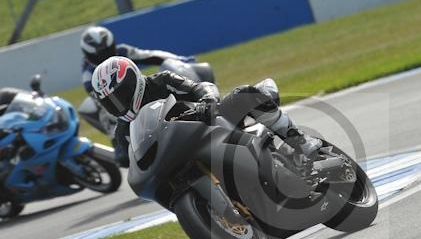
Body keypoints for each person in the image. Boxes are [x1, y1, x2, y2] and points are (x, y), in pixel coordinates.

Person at [91, 57, 321, 167]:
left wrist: (207, 100)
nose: (119, 103)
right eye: (111, 100)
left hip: (210, 123)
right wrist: (123, 158)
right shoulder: (123, 129)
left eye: (121, 94)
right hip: (180, 158)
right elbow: (123, 155)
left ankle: (299, 141)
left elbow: (197, 87)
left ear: (134, 80)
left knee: (245, 93)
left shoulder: (161, 81)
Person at [80, 26, 194, 95]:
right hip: (115, 107)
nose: (106, 58)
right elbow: (96, 97)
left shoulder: (122, 51)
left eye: (107, 51)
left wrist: (179, 60)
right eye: (100, 55)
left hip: (139, 90)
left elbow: (151, 55)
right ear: (89, 55)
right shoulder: (88, 73)